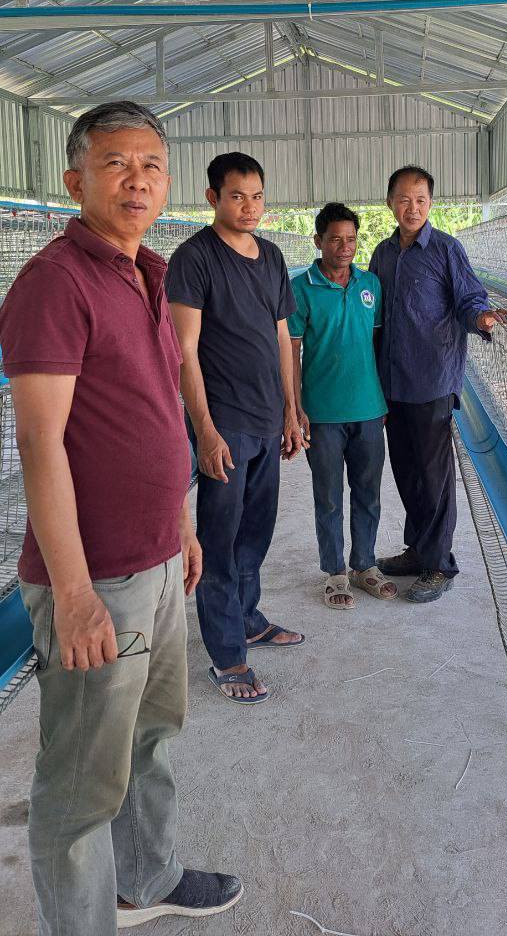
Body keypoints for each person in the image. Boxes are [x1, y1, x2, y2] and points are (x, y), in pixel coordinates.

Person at [0, 101, 243, 935]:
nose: (136, 181)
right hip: (97, 576)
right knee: (82, 778)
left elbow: (156, 410)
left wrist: (180, 522)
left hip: (157, 559)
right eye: (115, 164)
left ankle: (146, 879)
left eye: (150, 166)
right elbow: (39, 441)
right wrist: (73, 595)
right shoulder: (54, 284)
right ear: (76, 181)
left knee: (152, 734)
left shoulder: (152, 273)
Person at [166, 153, 306, 703]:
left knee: (257, 532)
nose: (249, 207)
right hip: (225, 424)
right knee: (219, 542)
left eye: (257, 196)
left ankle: (247, 619)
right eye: (237, 196)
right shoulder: (194, 259)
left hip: (268, 420)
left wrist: (291, 411)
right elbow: (184, 350)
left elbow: (282, 338)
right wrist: (204, 430)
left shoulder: (270, 256)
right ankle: (226, 654)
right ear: (213, 198)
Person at [369, 165, 507, 603]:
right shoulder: (382, 254)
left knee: (434, 477)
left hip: (431, 379)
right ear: (390, 203)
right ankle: (417, 551)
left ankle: (439, 564)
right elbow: (374, 315)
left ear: (430, 203)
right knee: (406, 471)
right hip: (392, 382)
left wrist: (481, 318)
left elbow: (469, 299)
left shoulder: (447, 249)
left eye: (421, 200)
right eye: (404, 199)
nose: (412, 208)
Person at [289, 203, 397, 610]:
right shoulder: (300, 289)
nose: (345, 247)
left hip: (368, 409)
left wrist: (381, 399)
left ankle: (365, 565)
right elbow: (291, 353)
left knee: (368, 492)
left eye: (351, 239)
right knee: (329, 496)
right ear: (318, 241)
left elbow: (376, 344)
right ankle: (335, 571)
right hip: (322, 414)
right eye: (335, 239)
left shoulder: (371, 285)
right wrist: (295, 407)